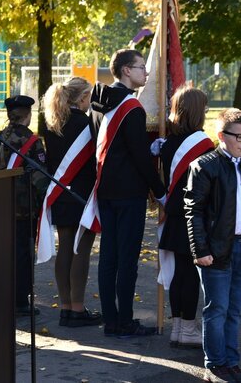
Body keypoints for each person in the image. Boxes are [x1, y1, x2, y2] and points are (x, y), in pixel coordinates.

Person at [82, 49, 166, 338]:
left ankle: (111, 320)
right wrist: (160, 191)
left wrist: (146, 148)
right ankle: (125, 321)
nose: (145, 73)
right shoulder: (132, 107)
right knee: (127, 259)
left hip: (105, 188)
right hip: (129, 192)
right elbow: (139, 157)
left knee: (108, 257)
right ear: (126, 71)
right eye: (141, 68)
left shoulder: (98, 103)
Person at [185, 108, 241, 383]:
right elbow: (193, 210)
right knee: (217, 308)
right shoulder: (205, 166)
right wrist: (201, 250)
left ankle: (231, 362)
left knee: (234, 309)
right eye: (238, 137)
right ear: (221, 135)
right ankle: (215, 364)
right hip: (216, 250)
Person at [156, 87, 213, 347]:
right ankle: (187, 328)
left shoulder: (167, 144)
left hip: (174, 214)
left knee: (179, 273)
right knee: (190, 274)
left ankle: (178, 327)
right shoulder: (203, 144)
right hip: (193, 216)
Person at [41, 78, 99, 327]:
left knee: (65, 246)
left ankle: (65, 307)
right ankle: (78, 308)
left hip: (60, 192)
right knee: (81, 250)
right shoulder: (85, 124)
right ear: (83, 97)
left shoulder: (51, 123)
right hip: (82, 194)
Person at [0, 95, 49, 316]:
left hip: (2, 204)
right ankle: (20, 301)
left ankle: (2, 296)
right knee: (23, 254)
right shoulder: (32, 141)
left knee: (5, 252)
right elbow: (40, 178)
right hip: (24, 208)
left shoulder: (0, 137)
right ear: (28, 115)